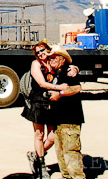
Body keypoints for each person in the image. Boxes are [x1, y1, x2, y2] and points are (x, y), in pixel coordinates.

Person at [22, 41, 68, 179]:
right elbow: (42, 83)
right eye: (38, 52)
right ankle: (41, 165)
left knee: (53, 135)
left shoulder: (53, 62)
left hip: (52, 102)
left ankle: (35, 155)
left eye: (43, 50)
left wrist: (75, 68)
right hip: (38, 101)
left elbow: (66, 64)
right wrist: (59, 88)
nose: (41, 54)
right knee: (39, 134)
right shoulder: (36, 64)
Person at [47, 45, 85, 179]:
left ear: (62, 59)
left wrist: (60, 94)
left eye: (54, 58)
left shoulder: (68, 71)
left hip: (70, 119)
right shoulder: (54, 74)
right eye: (50, 58)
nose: (51, 60)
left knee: (71, 154)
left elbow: (77, 88)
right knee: (61, 155)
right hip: (58, 120)